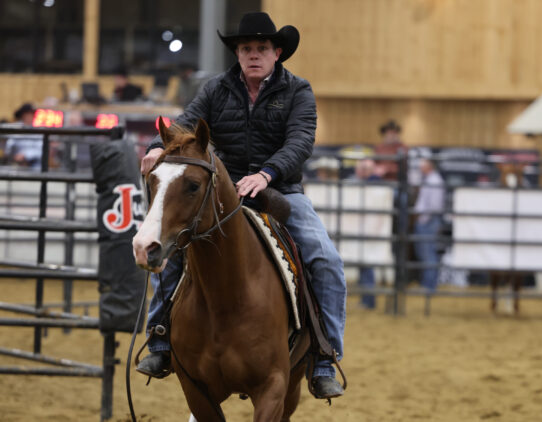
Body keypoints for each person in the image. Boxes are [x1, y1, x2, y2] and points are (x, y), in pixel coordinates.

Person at [136, 12, 346, 398]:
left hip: (281, 190)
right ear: (237, 53)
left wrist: (266, 173)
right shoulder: (217, 89)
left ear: (276, 52)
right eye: (246, 48)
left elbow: (300, 142)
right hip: (221, 191)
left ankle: (324, 356)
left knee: (325, 259)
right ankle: (161, 340)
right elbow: (184, 125)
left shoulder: (298, 91)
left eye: (261, 48)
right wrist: (154, 148)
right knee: (172, 247)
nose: (253, 55)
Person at [413, 157, 445, 291]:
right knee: (427, 252)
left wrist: (423, 218)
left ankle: (429, 285)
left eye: (423, 164)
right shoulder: (430, 180)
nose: (420, 167)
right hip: (428, 219)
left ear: (429, 166)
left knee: (428, 252)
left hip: (429, 220)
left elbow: (435, 205)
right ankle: (428, 283)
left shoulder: (434, 181)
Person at [353, 158, 382, 309]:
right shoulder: (374, 185)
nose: (360, 172)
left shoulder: (373, 185)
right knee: (365, 264)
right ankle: (366, 299)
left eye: (363, 169)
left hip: (370, 229)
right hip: (367, 228)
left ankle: (368, 301)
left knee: (367, 264)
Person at [4, 102, 44, 170]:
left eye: (31, 114)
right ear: (22, 115)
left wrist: (25, 155)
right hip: (16, 164)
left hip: (34, 166)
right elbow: (9, 146)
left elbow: (41, 151)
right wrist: (14, 155)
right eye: (27, 114)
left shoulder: (39, 129)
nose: (29, 116)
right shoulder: (16, 127)